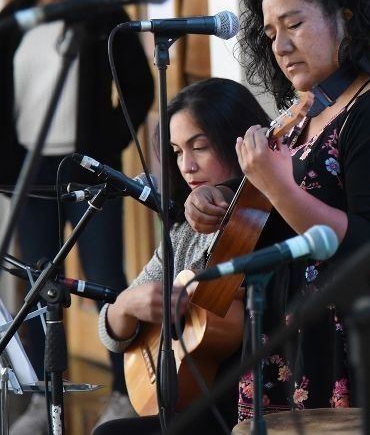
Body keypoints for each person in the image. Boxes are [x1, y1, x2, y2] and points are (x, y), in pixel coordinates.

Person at [184, 0, 370, 419]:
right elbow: (293, 207)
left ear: (346, 18)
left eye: (294, 24)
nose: (281, 46)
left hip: (353, 349)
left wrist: (278, 187)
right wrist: (221, 199)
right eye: (270, 34)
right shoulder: (313, 104)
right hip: (294, 343)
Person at [0, 0, 155, 434]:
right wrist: (1, 166)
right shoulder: (13, 19)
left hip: (90, 170)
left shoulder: (102, 13)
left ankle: (124, 393)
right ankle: (41, 401)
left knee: (107, 280)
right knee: (37, 285)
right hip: (29, 173)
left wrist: (109, 142)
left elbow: (139, 88)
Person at [95, 77, 271, 433]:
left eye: (200, 147)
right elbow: (112, 335)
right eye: (176, 151)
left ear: (236, 141)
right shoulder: (183, 231)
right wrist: (125, 306)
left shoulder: (268, 215)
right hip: (194, 398)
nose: (186, 165)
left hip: (247, 404)